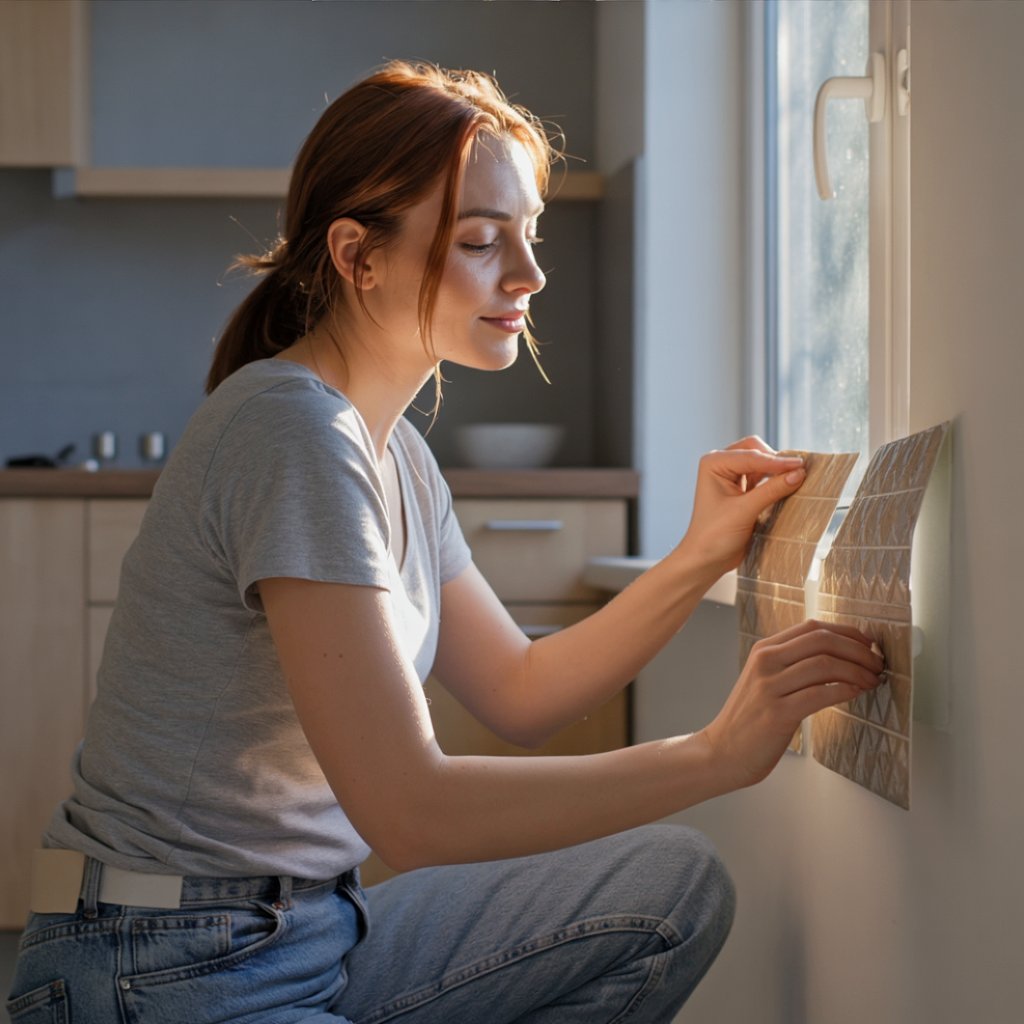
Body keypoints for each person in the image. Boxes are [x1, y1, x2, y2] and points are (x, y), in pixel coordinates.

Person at [6, 62, 884, 1024]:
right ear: (357, 255)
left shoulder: (399, 456)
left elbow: (521, 691)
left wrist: (700, 554)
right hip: (158, 964)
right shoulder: (290, 433)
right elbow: (410, 814)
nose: (530, 274)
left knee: (668, 884)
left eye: (530, 236)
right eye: (479, 240)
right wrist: (717, 754)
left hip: (315, 931)